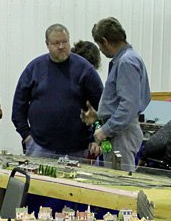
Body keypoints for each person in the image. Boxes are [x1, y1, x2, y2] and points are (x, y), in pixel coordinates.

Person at [13, 24, 103, 159]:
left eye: (65, 42)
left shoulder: (85, 69)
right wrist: (26, 135)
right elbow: (19, 105)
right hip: (39, 147)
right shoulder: (34, 68)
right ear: (47, 44)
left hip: (78, 149)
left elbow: (103, 106)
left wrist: (96, 139)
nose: (61, 46)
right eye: (56, 43)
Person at [85, 17, 151, 173]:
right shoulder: (128, 58)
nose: (100, 50)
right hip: (120, 130)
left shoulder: (126, 62)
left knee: (120, 181)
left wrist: (105, 130)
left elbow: (128, 106)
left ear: (105, 41)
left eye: (99, 46)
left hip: (122, 133)